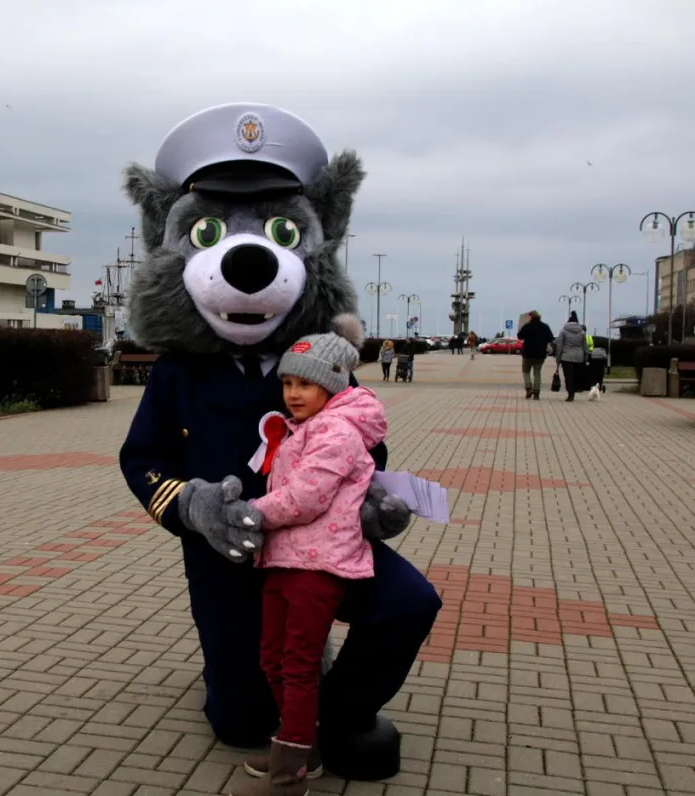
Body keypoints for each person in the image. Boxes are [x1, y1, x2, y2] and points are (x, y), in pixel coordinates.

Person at [118, 102, 440, 783]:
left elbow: (364, 449)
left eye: (283, 231)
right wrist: (191, 507)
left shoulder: (321, 362)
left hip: (322, 547)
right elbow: (141, 458)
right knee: (239, 722)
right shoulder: (179, 372)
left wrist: (374, 500)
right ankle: (256, 678)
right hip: (230, 556)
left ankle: (336, 712)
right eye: (206, 232)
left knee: (410, 602)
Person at [232, 332, 386, 794]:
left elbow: (305, 497)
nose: (293, 394)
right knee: (273, 659)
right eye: (287, 383)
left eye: (305, 384)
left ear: (332, 385)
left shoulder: (337, 432)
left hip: (317, 568)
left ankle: (288, 776)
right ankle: (300, 747)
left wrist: (249, 514)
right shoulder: (305, 427)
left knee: (297, 665)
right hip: (285, 559)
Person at [517, 310, 554, 400]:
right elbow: (550, 338)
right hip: (540, 354)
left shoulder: (527, 326)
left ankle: (529, 388)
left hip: (528, 353)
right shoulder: (545, 326)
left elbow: (520, 336)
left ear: (531, 317)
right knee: (537, 373)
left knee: (526, 371)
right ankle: (536, 393)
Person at [554, 311, 589, 402]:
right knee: (576, 376)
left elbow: (559, 346)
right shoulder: (582, 332)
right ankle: (575, 390)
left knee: (568, 376)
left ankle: (570, 394)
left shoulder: (563, 331)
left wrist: (558, 359)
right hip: (578, 357)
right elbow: (585, 347)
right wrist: (585, 358)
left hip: (566, 357)